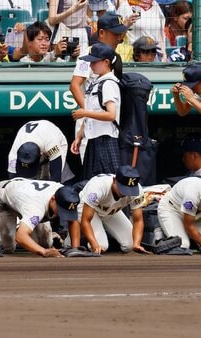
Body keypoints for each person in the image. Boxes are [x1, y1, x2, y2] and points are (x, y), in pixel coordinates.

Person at [69, 12, 128, 161]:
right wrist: (89, 112)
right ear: (102, 33)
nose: (119, 38)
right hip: (91, 128)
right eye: (115, 34)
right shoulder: (88, 55)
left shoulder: (115, 56)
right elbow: (75, 86)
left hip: (109, 128)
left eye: (120, 34)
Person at [0, 178, 81, 257]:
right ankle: (15, 228)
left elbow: (73, 220)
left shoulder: (66, 193)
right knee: (7, 248)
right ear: (53, 199)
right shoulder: (35, 208)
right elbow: (20, 237)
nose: (63, 213)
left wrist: (75, 249)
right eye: (61, 209)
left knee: (45, 244)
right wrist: (44, 252)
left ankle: (26, 224)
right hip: (3, 195)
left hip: (25, 193)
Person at [71, 43, 121, 180]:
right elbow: (92, 113)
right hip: (93, 139)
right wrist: (79, 136)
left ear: (106, 62)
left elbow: (111, 115)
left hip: (106, 140)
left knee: (108, 183)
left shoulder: (109, 83)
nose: (91, 65)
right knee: (90, 184)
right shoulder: (97, 82)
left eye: (94, 61)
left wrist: (85, 113)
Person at [77, 166, 147, 254]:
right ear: (114, 181)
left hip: (111, 210)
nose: (127, 193)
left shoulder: (138, 190)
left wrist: (136, 244)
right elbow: (86, 220)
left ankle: (99, 234)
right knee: (101, 246)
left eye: (130, 190)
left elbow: (138, 220)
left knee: (130, 245)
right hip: (88, 208)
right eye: (124, 189)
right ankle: (78, 236)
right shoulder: (98, 187)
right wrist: (94, 244)